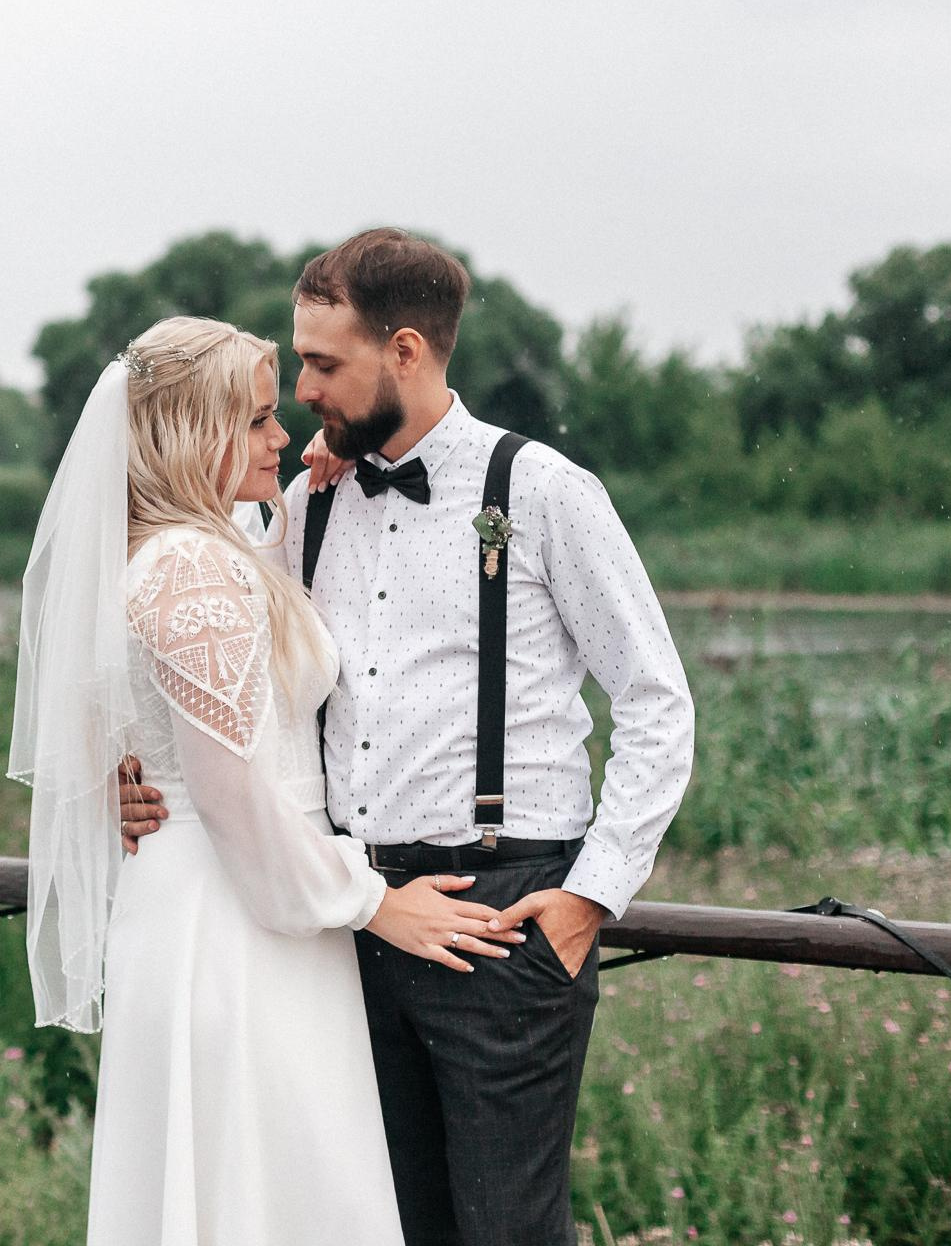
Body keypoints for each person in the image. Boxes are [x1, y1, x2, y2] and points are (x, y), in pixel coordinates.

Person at [118, 230, 696, 1246]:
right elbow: (208, 661)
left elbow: (655, 699)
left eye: (324, 362)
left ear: (408, 353)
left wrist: (592, 895)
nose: (303, 388)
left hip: (504, 922)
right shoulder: (304, 503)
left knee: (507, 1232)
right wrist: (130, 771)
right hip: (345, 926)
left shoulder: (545, 492)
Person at [12, 314, 528, 1246]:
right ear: (189, 434)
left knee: (244, 1194)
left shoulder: (181, 555)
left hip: (210, 904)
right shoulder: (194, 573)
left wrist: (297, 487)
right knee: (276, 1191)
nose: (283, 433)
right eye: (255, 422)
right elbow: (238, 798)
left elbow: (231, 644)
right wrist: (376, 902)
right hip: (242, 920)